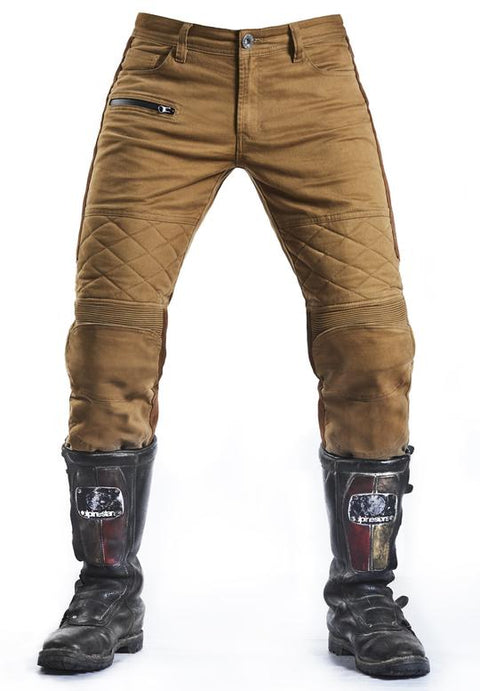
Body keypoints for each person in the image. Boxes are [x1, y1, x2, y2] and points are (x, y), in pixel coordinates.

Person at [37, 11, 430, 678]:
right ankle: (107, 590)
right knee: (109, 343)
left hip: (312, 79)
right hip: (168, 76)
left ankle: (364, 595)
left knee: (371, 344)